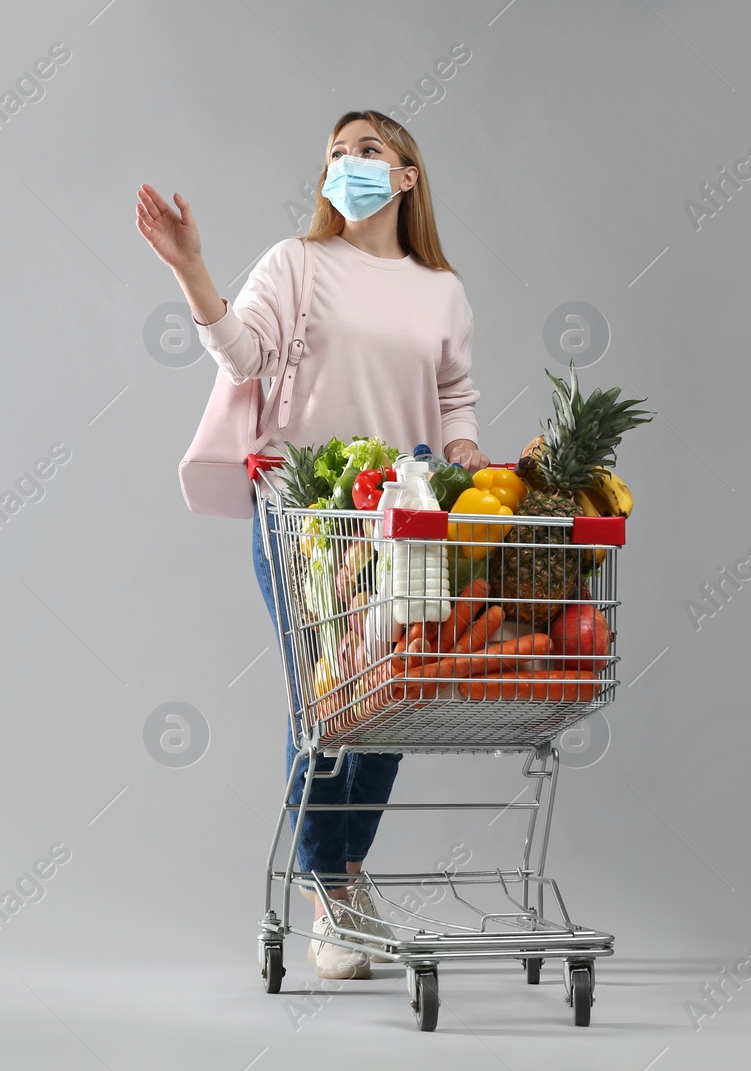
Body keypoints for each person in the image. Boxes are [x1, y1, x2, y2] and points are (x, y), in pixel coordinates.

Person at [137, 110, 491, 980]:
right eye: (337, 153)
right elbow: (241, 354)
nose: (348, 165)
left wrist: (467, 454)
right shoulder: (296, 264)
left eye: (368, 151)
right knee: (330, 699)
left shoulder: (441, 288)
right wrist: (191, 271)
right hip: (304, 511)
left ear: (407, 175)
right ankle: (329, 888)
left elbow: (455, 398)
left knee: (394, 698)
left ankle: (343, 874)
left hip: (402, 517)